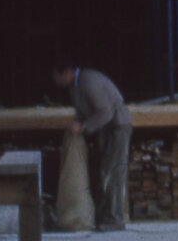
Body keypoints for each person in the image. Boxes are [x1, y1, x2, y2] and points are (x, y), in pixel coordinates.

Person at [52, 60, 132, 231]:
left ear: (66, 73)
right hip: (105, 128)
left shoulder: (88, 81)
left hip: (117, 125)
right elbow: (81, 112)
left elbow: (106, 111)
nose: (56, 81)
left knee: (114, 170)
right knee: (103, 170)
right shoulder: (74, 87)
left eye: (56, 77)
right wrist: (77, 124)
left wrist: (84, 127)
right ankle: (103, 217)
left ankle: (115, 219)